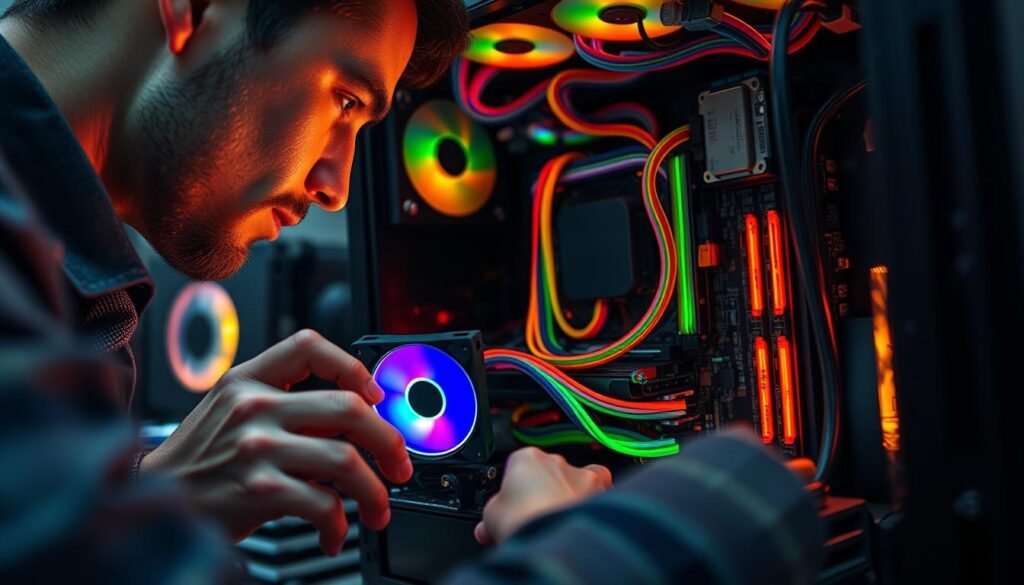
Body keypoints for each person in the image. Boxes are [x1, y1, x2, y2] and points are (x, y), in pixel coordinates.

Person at [0, 0, 822, 582]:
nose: (336, 183)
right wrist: (717, 500)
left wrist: (143, 506)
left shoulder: (63, 288)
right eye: (345, 100)